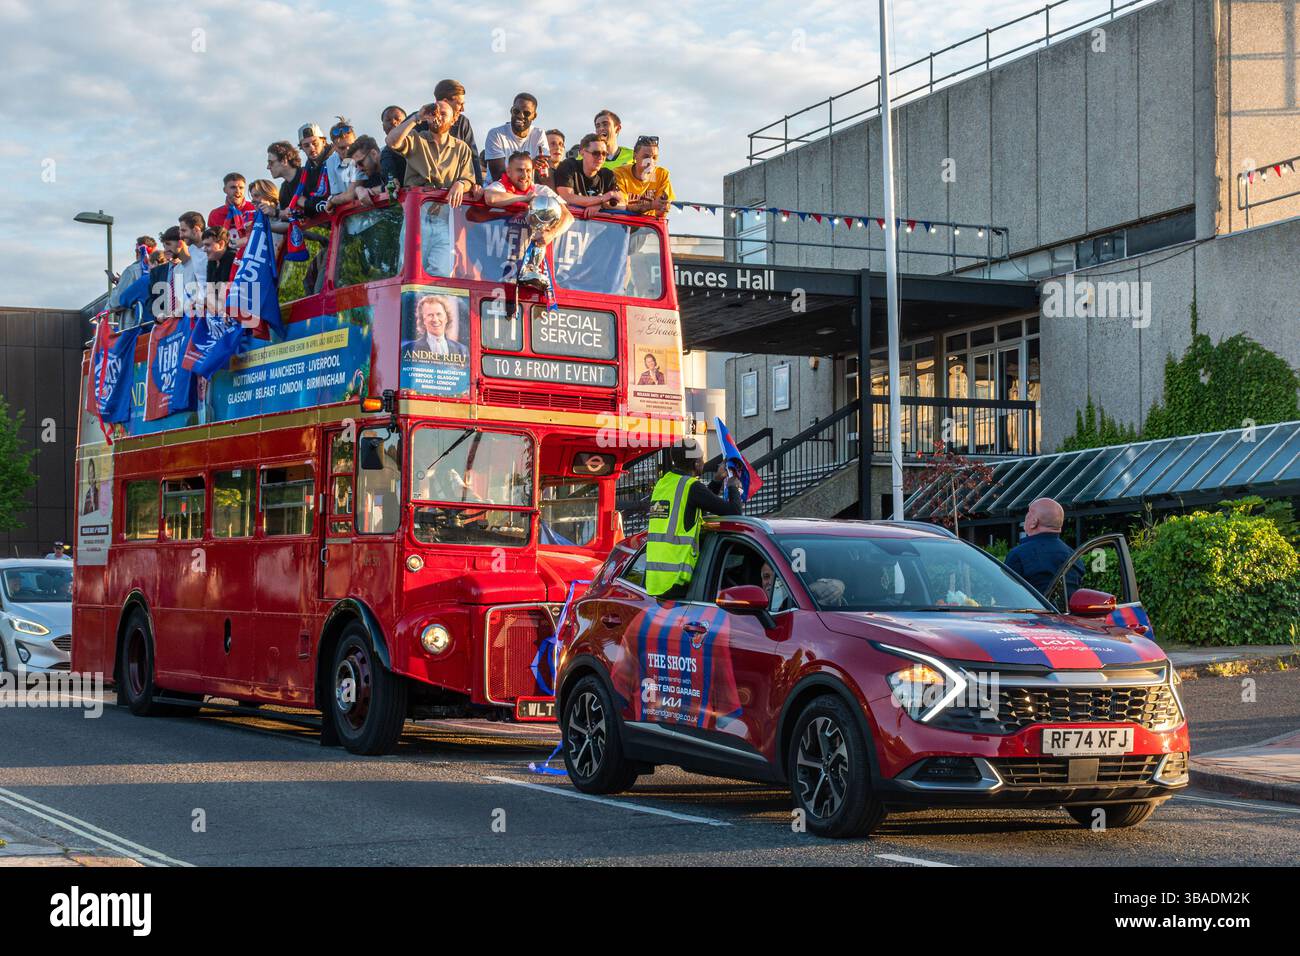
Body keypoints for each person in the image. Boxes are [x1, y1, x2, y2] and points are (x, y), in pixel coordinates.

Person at [644, 438, 743, 598]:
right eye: (702, 458)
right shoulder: (691, 486)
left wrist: (717, 481)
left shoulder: (664, 484)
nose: (704, 461)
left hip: (656, 581)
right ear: (696, 464)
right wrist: (733, 485)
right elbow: (734, 511)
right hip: (677, 580)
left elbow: (696, 503)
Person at [385, 100, 474, 200]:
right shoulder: (415, 139)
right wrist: (417, 117)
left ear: (453, 120)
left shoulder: (462, 147)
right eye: (434, 113)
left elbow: (469, 180)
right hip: (416, 206)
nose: (438, 116)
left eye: (443, 114)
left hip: (446, 210)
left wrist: (461, 184)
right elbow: (391, 141)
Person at [1004, 497, 1084, 595]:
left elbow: (1006, 595)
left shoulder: (1018, 555)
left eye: (1028, 513)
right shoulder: (1074, 557)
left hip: (1030, 610)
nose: (1025, 517)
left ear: (1034, 522)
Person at [484, 93, 547, 181]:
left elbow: (544, 172)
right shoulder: (496, 134)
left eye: (526, 113)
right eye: (516, 111)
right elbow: (498, 176)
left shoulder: (539, 134)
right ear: (511, 111)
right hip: (499, 189)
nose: (520, 116)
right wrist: (530, 165)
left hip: (527, 189)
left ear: (534, 116)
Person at [552, 133, 625, 209]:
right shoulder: (569, 166)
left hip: (598, 221)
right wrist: (601, 199)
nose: (601, 157)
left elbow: (622, 204)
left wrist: (600, 205)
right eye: (596, 153)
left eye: (604, 154)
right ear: (582, 152)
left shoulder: (607, 175)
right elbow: (567, 198)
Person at [436, 79, 483, 185]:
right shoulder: (418, 120)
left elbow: (473, 157)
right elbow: (392, 149)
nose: (463, 109)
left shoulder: (463, 122)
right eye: (459, 104)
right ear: (445, 102)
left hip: (455, 191)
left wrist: (478, 185)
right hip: (422, 194)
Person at [614, 136, 674, 218]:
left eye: (654, 158)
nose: (650, 162)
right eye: (646, 157)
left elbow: (660, 213)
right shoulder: (620, 174)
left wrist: (663, 206)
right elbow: (622, 207)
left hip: (649, 226)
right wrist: (651, 205)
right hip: (623, 224)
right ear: (635, 156)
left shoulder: (662, 174)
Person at [401, 295, 468, 357]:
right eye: (430, 315)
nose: (435, 319)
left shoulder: (462, 351)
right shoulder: (409, 348)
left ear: (446, 318)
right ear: (423, 320)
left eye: (439, 314)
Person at [328, 136, 385, 208]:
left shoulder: (389, 158)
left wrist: (370, 191)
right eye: (356, 166)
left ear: (373, 154)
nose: (359, 169)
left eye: (361, 163)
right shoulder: (370, 174)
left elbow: (393, 187)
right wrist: (359, 190)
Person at [108, 235, 156, 311]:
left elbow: (116, 301)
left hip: (134, 321)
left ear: (138, 252)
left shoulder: (131, 271)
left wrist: (120, 285)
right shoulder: (161, 270)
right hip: (156, 319)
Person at [296, 122, 334, 216]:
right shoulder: (307, 169)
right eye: (306, 145)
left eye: (315, 143)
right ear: (302, 148)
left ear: (323, 142)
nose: (312, 148)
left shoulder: (336, 158)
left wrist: (307, 204)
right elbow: (300, 200)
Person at [208, 173, 255, 245]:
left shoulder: (254, 208)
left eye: (241, 188)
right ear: (225, 190)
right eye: (233, 187)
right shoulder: (215, 214)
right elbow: (211, 242)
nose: (238, 191)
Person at [177, 211, 208, 302]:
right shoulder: (191, 250)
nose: (181, 235)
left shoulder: (215, 248)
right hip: (202, 308)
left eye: (184, 231)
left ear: (196, 230)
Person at [265, 140, 304, 212]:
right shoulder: (283, 190)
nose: (268, 167)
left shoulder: (309, 175)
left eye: (271, 162)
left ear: (284, 160)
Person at [325, 117, 356, 195]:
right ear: (334, 147)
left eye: (351, 145)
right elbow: (336, 194)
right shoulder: (330, 162)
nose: (348, 150)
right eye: (342, 148)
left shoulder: (365, 155)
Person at [378, 105, 408, 187]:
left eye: (398, 119)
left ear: (407, 123)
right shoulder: (384, 153)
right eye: (388, 120)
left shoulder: (421, 141)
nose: (393, 122)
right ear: (383, 127)